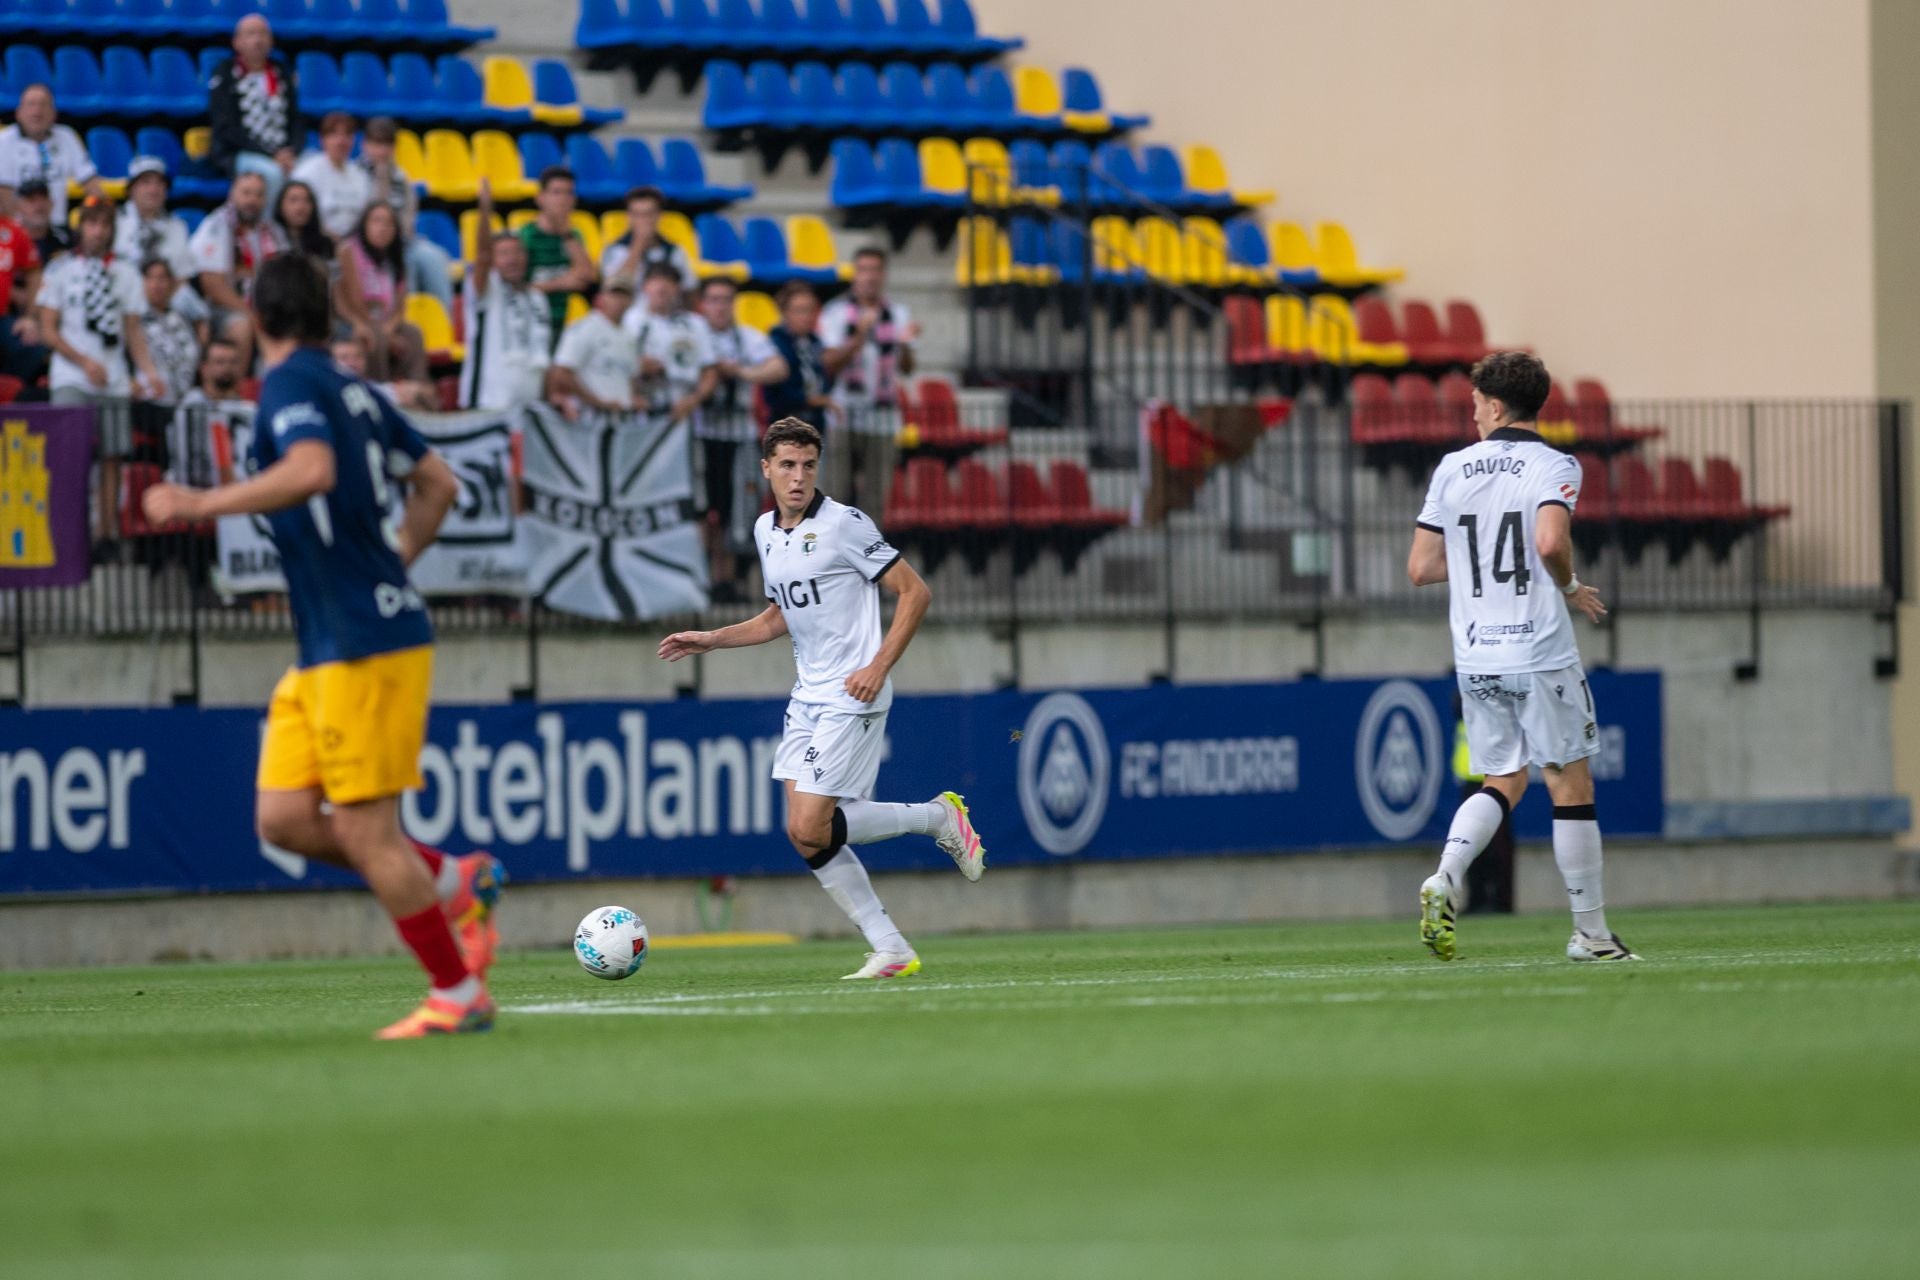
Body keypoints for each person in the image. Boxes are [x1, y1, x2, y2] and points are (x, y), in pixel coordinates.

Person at [141, 253, 503, 1039]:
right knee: (282, 818)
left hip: (364, 642)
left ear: (257, 319)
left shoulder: (291, 385)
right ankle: (454, 878)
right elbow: (439, 482)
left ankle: (456, 991)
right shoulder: (355, 391)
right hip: (330, 645)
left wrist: (200, 501)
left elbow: (311, 468)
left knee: (368, 831)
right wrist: (393, 562)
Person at [658, 418, 984, 980]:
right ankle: (892, 946)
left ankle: (937, 818)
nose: (798, 477)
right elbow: (780, 615)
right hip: (807, 696)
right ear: (766, 469)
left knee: (812, 825)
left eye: (808, 465)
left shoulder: (845, 526)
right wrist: (711, 639)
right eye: (786, 465)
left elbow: (915, 591)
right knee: (805, 832)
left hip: (853, 693)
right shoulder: (766, 530)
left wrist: (878, 666)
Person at [1406, 350, 1635, 963]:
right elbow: (1550, 540)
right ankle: (1590, 934)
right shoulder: (1555, 464)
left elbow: (1421, 567)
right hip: (1536, 648)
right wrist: (1567, 586)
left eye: (1477, 403)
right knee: (1569, 782)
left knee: (1503, 778)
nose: (1473, 414)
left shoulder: (1453, 468)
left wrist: (1476, 551)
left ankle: (1446, 874)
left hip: (1476, 651)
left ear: (1498, 404)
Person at [36, 196, 166, 549]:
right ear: (82, 227)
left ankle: (106, 533)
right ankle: (67, 533)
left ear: (112, 231)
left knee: (113, 456)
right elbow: (48, 328)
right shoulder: (60, 270)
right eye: (92, 223)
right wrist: (83, 362)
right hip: (71, 377)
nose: (98, 231)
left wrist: (149, 372)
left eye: (105, 225)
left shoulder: (124, 274)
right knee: (69, 456)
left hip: (113, 378)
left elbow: (134, 332)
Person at [693, 277, 787, 597]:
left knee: (737, 505)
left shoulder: (746, 338)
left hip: (738, 434)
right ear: (703, 305)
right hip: (702, 431)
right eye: (714, 300)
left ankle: (727, 578)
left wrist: (742, 372)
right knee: (704, 506)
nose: (720, 307)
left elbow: (778, 367)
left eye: (726, 300)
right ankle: (703, 574)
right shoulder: (694, 335)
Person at [819, 247, 918, 511]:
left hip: (883, 417)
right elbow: (828, 364)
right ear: (854, 275)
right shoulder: (836, 312)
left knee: (876, 497)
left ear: (884, 275)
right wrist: (859, 337)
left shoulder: (898, 313)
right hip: (843, 415)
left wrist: (906, 346)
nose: (869, 277)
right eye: (863, 270)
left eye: (875, 270)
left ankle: (868, 551)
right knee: (836, 494)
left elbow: (908, 368)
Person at [460, 177, 551, 410]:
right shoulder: (487, 290)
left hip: (530, 411)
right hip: (486, 406)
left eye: (517, 252)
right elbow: (481, 257)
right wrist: (485, 212)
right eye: (504, 253)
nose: (512, 259)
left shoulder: (538, 298)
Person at [188, 171, 288, 369]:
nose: (252, 200)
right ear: (232, 194)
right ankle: (237, 392)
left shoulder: (272, 230)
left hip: (265, 306)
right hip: (223, 309)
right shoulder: (216, 225)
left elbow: (285, 275)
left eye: (259, 195)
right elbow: (212, 285)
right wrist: (252, 314)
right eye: (246, 193)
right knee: (242, 325)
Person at [359, 117, 454, 315]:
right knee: (404, 264)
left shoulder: (402, 178)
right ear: (365, 144)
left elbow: (408, 216)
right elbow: (368, 216)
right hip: (368, 245)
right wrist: (381, 179)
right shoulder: (355, 175)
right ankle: (404, 321)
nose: (382, 151)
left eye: (387, 144)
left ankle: (444, 322)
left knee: (434, 258)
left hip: (402, 240)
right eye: (376, 144)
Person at [207, 14, 301, 203]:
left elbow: (295, 119)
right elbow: (227, 129)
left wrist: (292, 152)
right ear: (236, 42)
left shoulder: (281, 72)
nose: (257, 40)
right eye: (250, 34)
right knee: (272, 175)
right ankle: (266, 230)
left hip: (282, 153)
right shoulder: (225, 74)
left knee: (310, 173)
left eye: (262, 34)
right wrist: (271, 155)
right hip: (239, 153)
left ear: (271, 41)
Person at [335, 203, 425, 383]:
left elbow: (400, 306)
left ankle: (418, 392)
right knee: (373, 336)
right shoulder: (347, 251)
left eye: (389, 223)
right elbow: (344, 301)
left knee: (413, 333)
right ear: (364, 225)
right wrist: (367, 326)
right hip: (350, 322)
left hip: (384, 323)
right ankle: (380, 393)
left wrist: (389, 329)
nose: (383, 227)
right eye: (376, 221)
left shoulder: (396, 257)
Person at [622, 260, 715, 429]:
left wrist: (694, 399)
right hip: (643, 410)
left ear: (679, 289)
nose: (662, 286)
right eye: (655, 280)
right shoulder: (629, 321)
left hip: (687, 408)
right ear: (644, 287)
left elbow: (710, 371)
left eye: (670, 281)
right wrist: (636, 367)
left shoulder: (695, 324)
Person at [0, 84, 102, 230]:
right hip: (18, 228)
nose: (37, 111)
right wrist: (19, 229)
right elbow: (4, 192)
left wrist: (102, 210)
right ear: (18, 112)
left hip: (57, 226)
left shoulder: (67, 136)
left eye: (43, 104)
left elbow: (90, 183)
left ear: (54, 113)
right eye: (31, 104)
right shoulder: (3, 141)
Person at [517, 167, 595, 349]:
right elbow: (516, 290)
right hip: (530, 327)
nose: (563, 200)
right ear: (540, 198)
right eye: (556, 193)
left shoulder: (573, 236)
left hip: (563, 326)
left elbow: (587, 277)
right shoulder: (525, 237)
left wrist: (566, 234)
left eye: (568, 193)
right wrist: (560, 284)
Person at [548, 278, 641, 416]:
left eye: (625, 295)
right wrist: (596, 402)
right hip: (588, 415)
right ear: (600, 298)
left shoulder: (629, 335)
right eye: (614, 294)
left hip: (620, 418)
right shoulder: (585, 327)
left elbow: (631, 377)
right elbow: (561, 372)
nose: (620, 300)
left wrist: (633, 399)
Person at [168, 337, 248, 489]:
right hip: (199, 494)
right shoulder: (190, 408)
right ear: (203, 368)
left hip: (241, 495)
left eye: (232, 362)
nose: (227, 368)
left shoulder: (246, 409)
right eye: (220, 362)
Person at [113, 157, 196, 285]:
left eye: (159, 183)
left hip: (165, 302)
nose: (153, 189)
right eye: (146, 182)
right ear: (131, 189)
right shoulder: (113, 222)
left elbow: (183, 276)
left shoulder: (178, 226)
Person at [290, 113, 371, 242]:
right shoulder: (306, 173)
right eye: (334, 134)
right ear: (322, 139)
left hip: (354, 245)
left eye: (347, 135)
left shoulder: (360, 175)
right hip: (316, 241)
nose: (341, 141)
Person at [598, 185, 694, 294]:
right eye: (637, 214)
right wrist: (638, 244)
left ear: (659, 215)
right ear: (629, 217)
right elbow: (615, 289)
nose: (643, 220)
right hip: (628, 309)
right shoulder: (613, 250)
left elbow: (688, 288)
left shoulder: (674, 251)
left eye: (648, 214)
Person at [765, 281, 832, 428]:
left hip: (814, 421)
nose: (807, 317)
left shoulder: (815, 342)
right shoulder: (775, 342)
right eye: (800, 310)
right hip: (784, 422)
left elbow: (821, 377)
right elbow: (779, 391)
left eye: (811, 310)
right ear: (785, 312)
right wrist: (814, 400)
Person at [136, 258, 202, 408]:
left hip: (182, 401)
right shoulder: (134, 322)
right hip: (147, 403)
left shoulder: (181, 319)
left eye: (161, 278)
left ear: (172, 284)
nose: (156, 284)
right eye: (150, 278)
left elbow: (192, 355)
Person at [0, 180, 46, 390]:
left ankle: (9, 392)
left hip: (3, 318)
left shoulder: (12, 231)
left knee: (33, 345)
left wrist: (29, 317)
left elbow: (34, 273)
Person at [332, 334, 438, 413]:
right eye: (344, 358)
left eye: (358, 356)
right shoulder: (325, 391)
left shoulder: (374, 388)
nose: (352, 363)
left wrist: (415, 390)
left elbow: (427, 391)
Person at [273, 179, 333, 263]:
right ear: (280, 205)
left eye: (306, 200)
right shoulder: (271, 240)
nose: (301, 206)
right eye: (293, 200)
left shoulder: (325, 244)